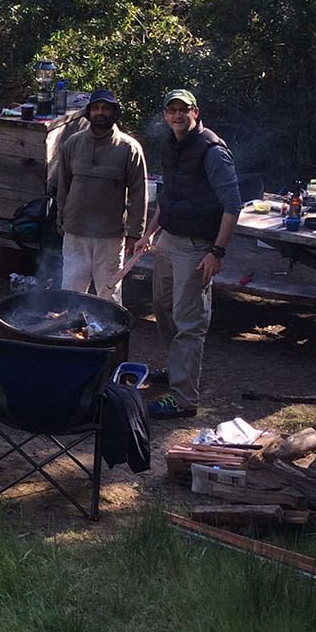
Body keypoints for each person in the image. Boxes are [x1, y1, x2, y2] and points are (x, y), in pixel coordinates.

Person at [132, 89, 241, 419]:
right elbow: (168, 197)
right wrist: (149, 233)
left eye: (184, 109)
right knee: (164, 310)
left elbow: (233, 205)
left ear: (195, 112)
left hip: (196, 247)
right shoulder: (170, 145)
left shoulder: (212, 151)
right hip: (168, 240)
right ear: (166, 114)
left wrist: (216, 252)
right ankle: (175, 369)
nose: (178, 115)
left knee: (188, 321)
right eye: (172, 110)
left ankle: (183, 400)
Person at [54, 88, 147, 304]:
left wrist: (135, 233)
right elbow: (63, 186)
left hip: (110, 236)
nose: (100, 113)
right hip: (75, 231)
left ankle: (106, 327)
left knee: (108, 295)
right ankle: (70, 326)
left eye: (106, 108)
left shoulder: (129, 148)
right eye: (96, 108)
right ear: (88, 113)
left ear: (114, 112)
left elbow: (139, 194)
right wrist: (60, 220)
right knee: (71, 293)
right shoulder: (72, 144)